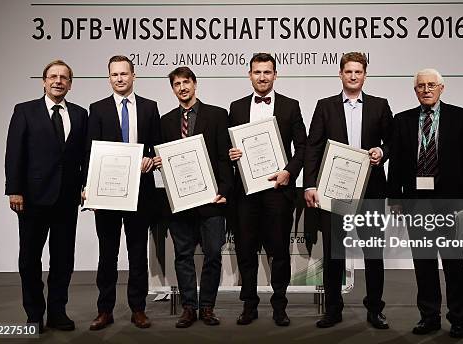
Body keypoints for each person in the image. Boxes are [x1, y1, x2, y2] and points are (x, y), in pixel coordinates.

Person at [304, 52, 392, 329]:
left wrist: (382, 151)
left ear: (365, 75)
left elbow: (392, 141)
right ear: (340, 74)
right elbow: (313, 147)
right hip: (334, 191)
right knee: (334, 252)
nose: (353, 76)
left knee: (374, 253)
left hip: (371, 191)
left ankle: (375, 309)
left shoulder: (380, 105)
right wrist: (310, 184)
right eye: (348, 71)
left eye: (358, 71)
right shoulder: (325, 106)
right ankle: (333, 309)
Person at [388, 68, 463, 338]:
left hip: (452, 203)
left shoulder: (460, 116)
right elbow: (397, 164)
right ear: (415, 90)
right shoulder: (402, 120)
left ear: (442, 88)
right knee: (424, 263)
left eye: (431, 85)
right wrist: (395, 199)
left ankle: (458, 318)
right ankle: (429, 316)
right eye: (421, 86)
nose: (426, 90)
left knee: (453, 262)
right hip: (416, 203)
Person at [5, 60, 88, 332]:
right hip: (31, 198)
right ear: (43, 81)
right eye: (53, 76)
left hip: (67, 199)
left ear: (70, 84)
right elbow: (14, 153)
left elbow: (84, 157)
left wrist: (87, 186)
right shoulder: (25, 111)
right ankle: (33, 314)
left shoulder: (79, 114)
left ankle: (57, 312)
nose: (58, 81)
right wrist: (14, 189)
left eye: (64, 77)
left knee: (63, 259)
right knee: (29, 259)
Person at [228, 53, 307, 326]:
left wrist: (288, 172)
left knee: (280, 252)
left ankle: (279, 306)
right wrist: (232, 154)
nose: (262, 77)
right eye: (257, 72)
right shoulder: (236, 107)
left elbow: (304, 148)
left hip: (277, 190)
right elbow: (229, 149)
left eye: (267, 72)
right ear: (249, 74)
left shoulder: (290, 106)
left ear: (275, 75)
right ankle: (249, 305)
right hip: (245, 193)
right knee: (246, 251)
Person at [153, 67, 233, 328]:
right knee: (183, 256)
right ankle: (189, 307)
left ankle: (207, 307)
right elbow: (164, 163)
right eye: (176, 84)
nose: (182, 87)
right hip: (180, 203)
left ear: (194, 84)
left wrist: (224, 191)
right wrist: (158, 162)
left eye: (186, 82)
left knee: (212, 255)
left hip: (211, 202)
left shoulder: (218, 115)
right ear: (173, 89)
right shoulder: (165, 122)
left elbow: (224, 157)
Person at [85, 55, 161, 330]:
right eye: (114, 74)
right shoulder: (97, 109)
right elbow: (90, 153)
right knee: (107, 255)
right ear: (109, 78)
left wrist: (151, 159)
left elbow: (156, 146)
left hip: (141, 193)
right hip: (106, 194)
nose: (119, 78)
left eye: (124, 74)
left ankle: (138, 309)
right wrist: (88, 189)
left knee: (138, 253)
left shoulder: (150, 107)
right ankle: (104, 310)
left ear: (133, 76)